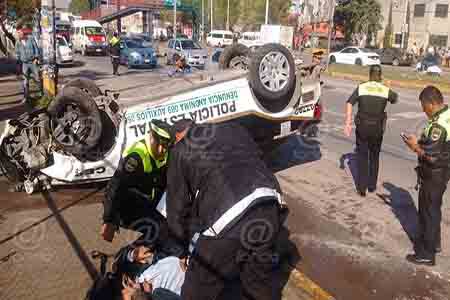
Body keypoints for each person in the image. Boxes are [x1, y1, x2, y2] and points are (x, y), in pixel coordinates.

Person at [166, 119, 284, 300]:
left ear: (178, 137)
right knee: (258, 282)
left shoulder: (180, 149)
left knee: (196, 289)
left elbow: (177, 208)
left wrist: (180, 251)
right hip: (268, 202)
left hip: (228, 216)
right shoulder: (232, 128)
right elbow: (258, 158)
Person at [101, 119, 174, 246]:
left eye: (165, 146)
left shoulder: (166, 152)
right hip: (125, 205)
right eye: (159, 145)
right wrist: (109, 220)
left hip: (146, 199)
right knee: (158, 228)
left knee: (172, 224)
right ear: (151, 137)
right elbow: (116, 186)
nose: (162, 150)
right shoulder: (136, 156)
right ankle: (127, 258)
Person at [402, 86, 450, 266]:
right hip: (443, 172)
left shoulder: (439, 125)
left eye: (423, 106)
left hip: (434, 174)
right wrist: (422, 141)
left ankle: (426, 254)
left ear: (431, 103)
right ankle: (434, 243)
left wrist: (415, 147)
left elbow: (432, 157)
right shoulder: (446, 115)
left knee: (428, 212)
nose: (423, 110)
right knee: (434, 210)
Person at [344, 65, 398, 196]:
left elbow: (349, 102)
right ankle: (372, 185)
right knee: (374, 156)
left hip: (362, 127)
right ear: (380, 76)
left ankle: (361, 188)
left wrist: (348, 123)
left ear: (369, 75)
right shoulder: (384, 89)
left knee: (362, 156)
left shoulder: (362, 87)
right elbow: (395, 99)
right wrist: (387, 85)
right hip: (377, 129)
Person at [15, 27, 41, 105]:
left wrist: (36, 58)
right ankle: (26, 97)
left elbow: (36, 48)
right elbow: (17, 53)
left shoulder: (31, 38)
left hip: (33, 62)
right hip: (24, 64)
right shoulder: (18, 42)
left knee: (37, 79)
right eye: (17, 33)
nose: (18, 34)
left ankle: (40, 95)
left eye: (19, 33)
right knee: (25, 81)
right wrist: (18, 61)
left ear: (23, 33)